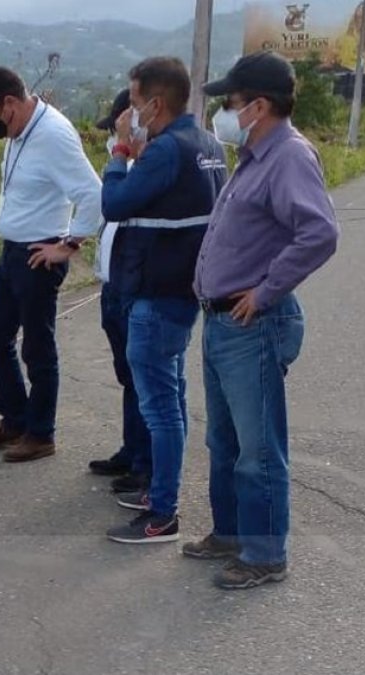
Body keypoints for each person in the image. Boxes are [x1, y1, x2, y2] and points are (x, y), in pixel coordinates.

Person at [187, 51, 339, 589]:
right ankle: (230, 534)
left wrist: (268, 290)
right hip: (222, 321)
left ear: (259, 105)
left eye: (230, 102)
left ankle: (265, 553)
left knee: (258, 449)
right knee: (223, 442)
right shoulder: (254, 155)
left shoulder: (289, 156)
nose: (224, 112)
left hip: (251, 325)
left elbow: (319, 232)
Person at [99, 57, 229, 545]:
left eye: (133, 103)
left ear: (154, 103)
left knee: (160, 407)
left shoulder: (165, 151)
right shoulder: (209, 144)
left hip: (156, 292)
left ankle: (163, 513)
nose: (129, 113)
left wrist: (120, 150)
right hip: (182, 291)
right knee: (170, 396)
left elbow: (113, 202)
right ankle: (160, 493)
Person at [0, 65, 103, 463]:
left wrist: (69, 244)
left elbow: (93, 193)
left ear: (9, 104)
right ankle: (15, 419)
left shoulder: (53, 135)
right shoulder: (20, 131)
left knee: (38, 349)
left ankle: (40, 433)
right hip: (13, 252)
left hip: (38, 255)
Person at [87, 88, 153, 496]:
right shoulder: (125, 165)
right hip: (113, 286)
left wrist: (123, 154)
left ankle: (147, 464)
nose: (113, 140)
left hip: (135, 288)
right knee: (128, 377)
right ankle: (132, 451)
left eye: (117, 130)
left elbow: (120, 207)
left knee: (146, 381)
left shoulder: (146, 167)